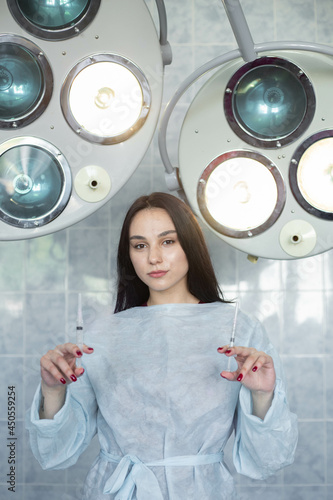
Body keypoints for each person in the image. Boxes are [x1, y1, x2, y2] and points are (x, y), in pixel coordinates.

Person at [26, 192, 298, 500]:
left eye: (167, 241)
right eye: (140, 245)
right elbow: (56, 452)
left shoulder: (239, 331)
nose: (154, 257)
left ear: (190, 245)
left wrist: (262, 395)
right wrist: (53, 390)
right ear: (128, 255)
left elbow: (269, 458)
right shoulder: (100, 336)